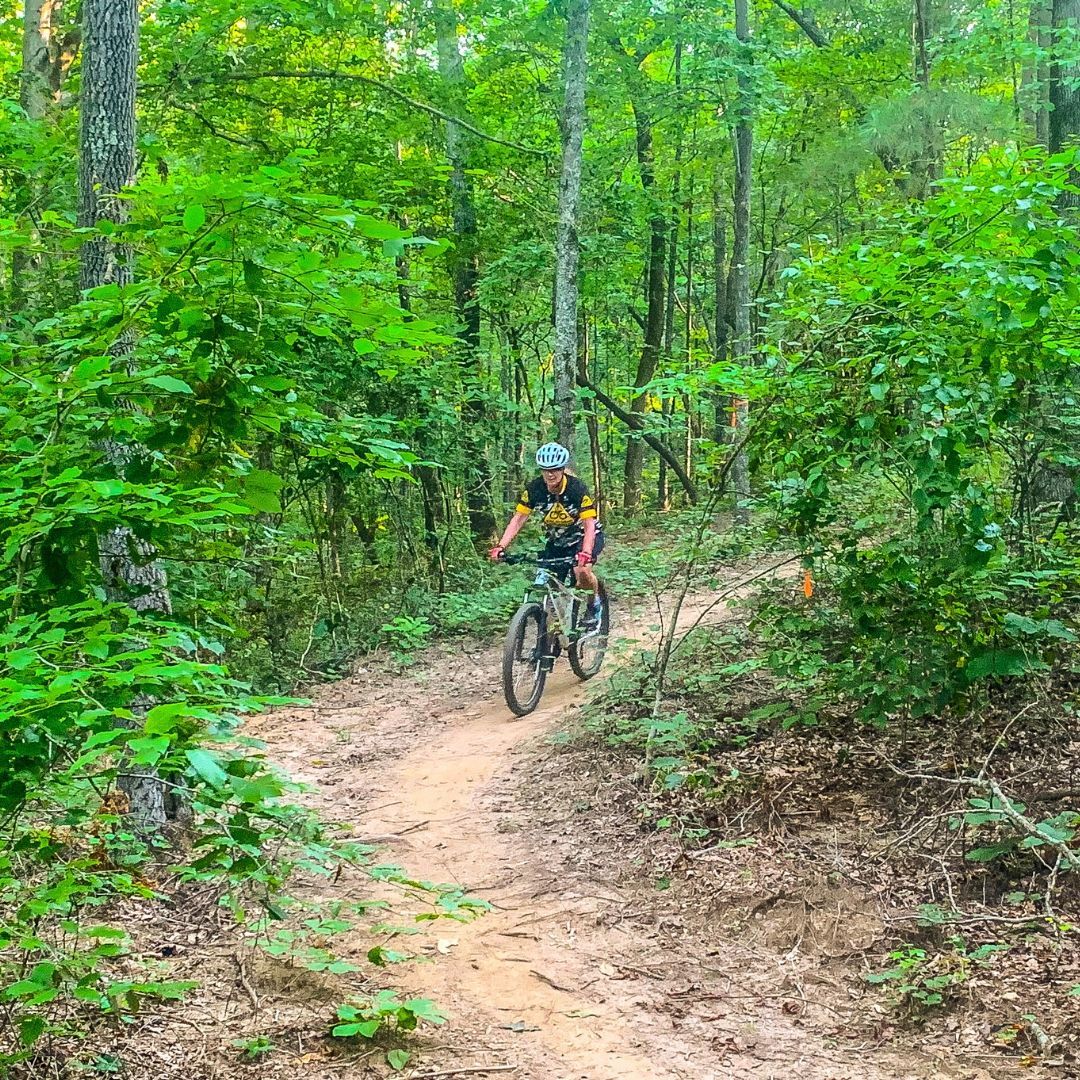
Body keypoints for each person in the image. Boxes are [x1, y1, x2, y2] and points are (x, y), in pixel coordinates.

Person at [489, 442, 604, 628]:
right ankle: (549, 642)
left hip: (584, 536)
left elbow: (589, 524)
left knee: (581, 571)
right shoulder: (535, 489)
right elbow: (518, 519)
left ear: (563, 469)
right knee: (548, 583)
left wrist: (586, 552)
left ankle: (594, 605)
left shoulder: (576, 489)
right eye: (545, 470)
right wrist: (501, 546)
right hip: (557, 541)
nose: (550, 474)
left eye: (555, 469)